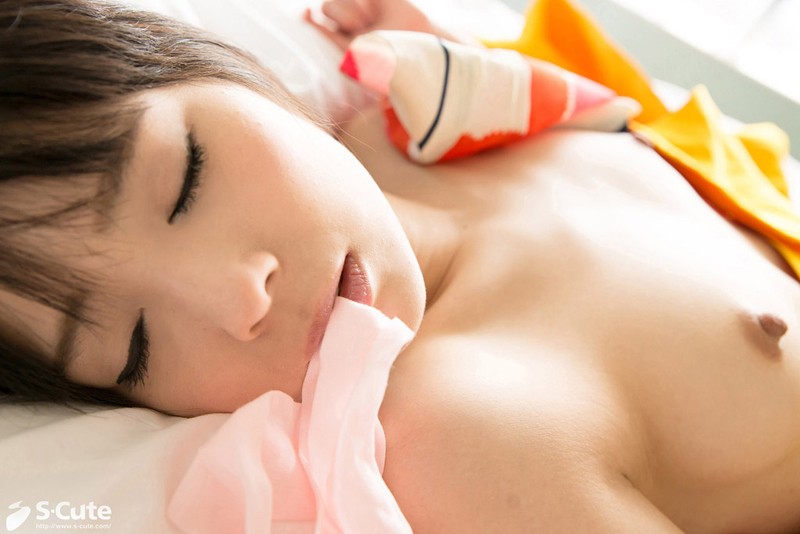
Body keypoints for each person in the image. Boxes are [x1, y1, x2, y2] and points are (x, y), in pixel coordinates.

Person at [1, 0, 799, 531]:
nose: (241, 297)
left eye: (186, 182)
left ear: (234, 73)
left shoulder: (422, 111)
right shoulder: (467, 438)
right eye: (137, 347)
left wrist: (434, 44)